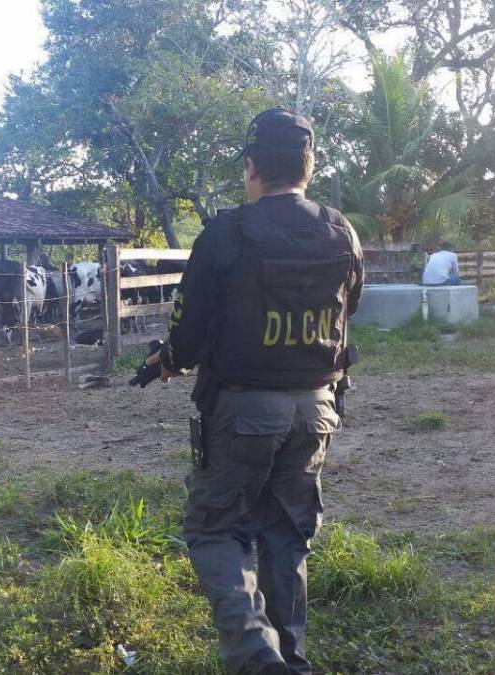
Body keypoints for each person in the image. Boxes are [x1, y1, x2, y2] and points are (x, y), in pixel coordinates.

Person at [145, 107, 364, 675]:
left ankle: (257, 657)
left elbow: (188, 334)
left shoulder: (225, 231)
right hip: (317, 408)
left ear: (251, 167)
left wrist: (166, 361)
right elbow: (348, 314)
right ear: (308, 167)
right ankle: (291, 661)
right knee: (287, 533)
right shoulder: (341, 229)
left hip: (243, 411)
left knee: (216, 529)